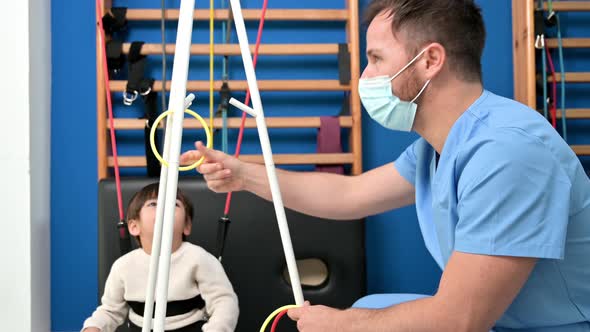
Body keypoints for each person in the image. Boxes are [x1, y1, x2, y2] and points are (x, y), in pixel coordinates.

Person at [180, 0, 590, 331]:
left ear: (430, 61)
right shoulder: (440, 146)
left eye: (376, 59)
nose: (365, 75)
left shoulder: (506, 153)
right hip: (500, 319)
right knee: (372, 308)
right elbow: (350, 194)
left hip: (560, 324)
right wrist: (245, 175)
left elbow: (459, 320)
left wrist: (343, 325)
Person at [82, 183, 239, 332]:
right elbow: (110, 311)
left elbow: (224, 302)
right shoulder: (123, 266)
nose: (164, 206)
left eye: (174, 203)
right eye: (153, 204)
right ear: (134, 226)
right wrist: (94, 327)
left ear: (187, 226)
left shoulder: (199, 259)